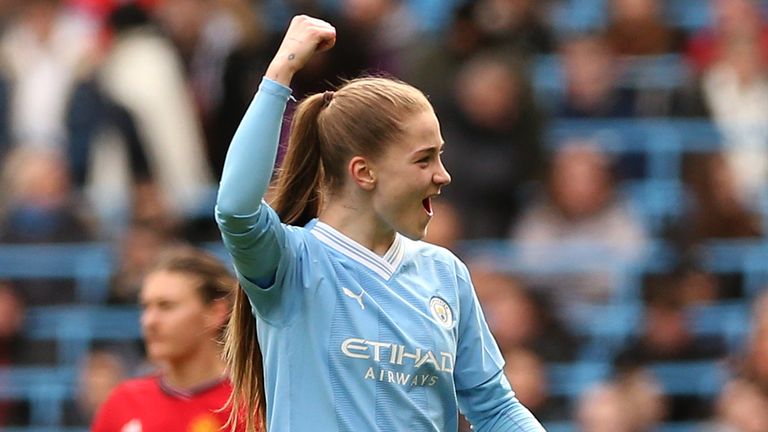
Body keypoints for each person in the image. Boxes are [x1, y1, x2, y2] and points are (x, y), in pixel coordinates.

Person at [216, 15, 545, 432]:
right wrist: (280, 73)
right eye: (424, 159)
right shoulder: (293, 264)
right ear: (364, 172)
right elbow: (235, 210)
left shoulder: (445, 274)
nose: (443, 176)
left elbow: (496, 410)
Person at [91, 246, 244, 432]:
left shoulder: (249, 407)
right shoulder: (123, 403)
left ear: (215, 312)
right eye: (146, 307)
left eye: (166, 306)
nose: (149, 321)